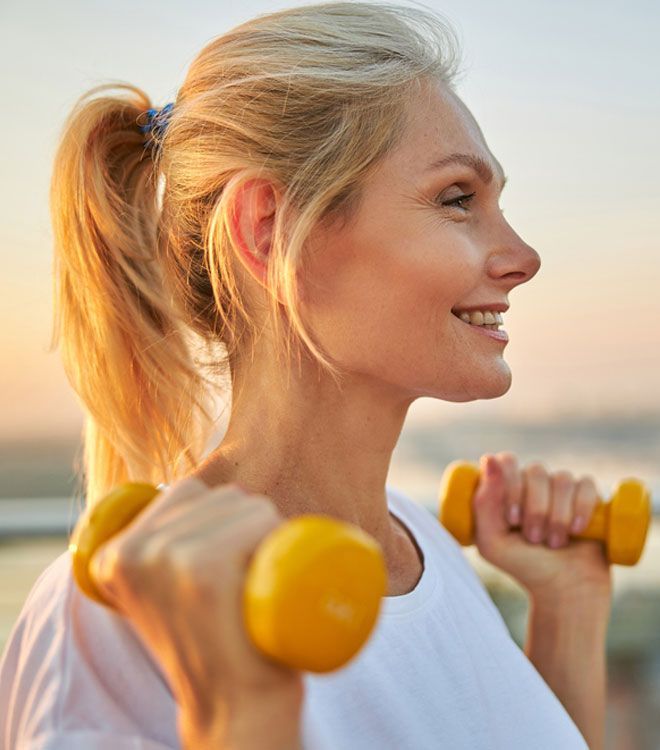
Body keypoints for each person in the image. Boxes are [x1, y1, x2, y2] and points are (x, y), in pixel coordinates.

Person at [0, 2, 611, 748]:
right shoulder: (120, 610)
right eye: (458, 199)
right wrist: (239, 713)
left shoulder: (432, 554)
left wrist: (570, 613)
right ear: (268, 231)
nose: (523, 256)